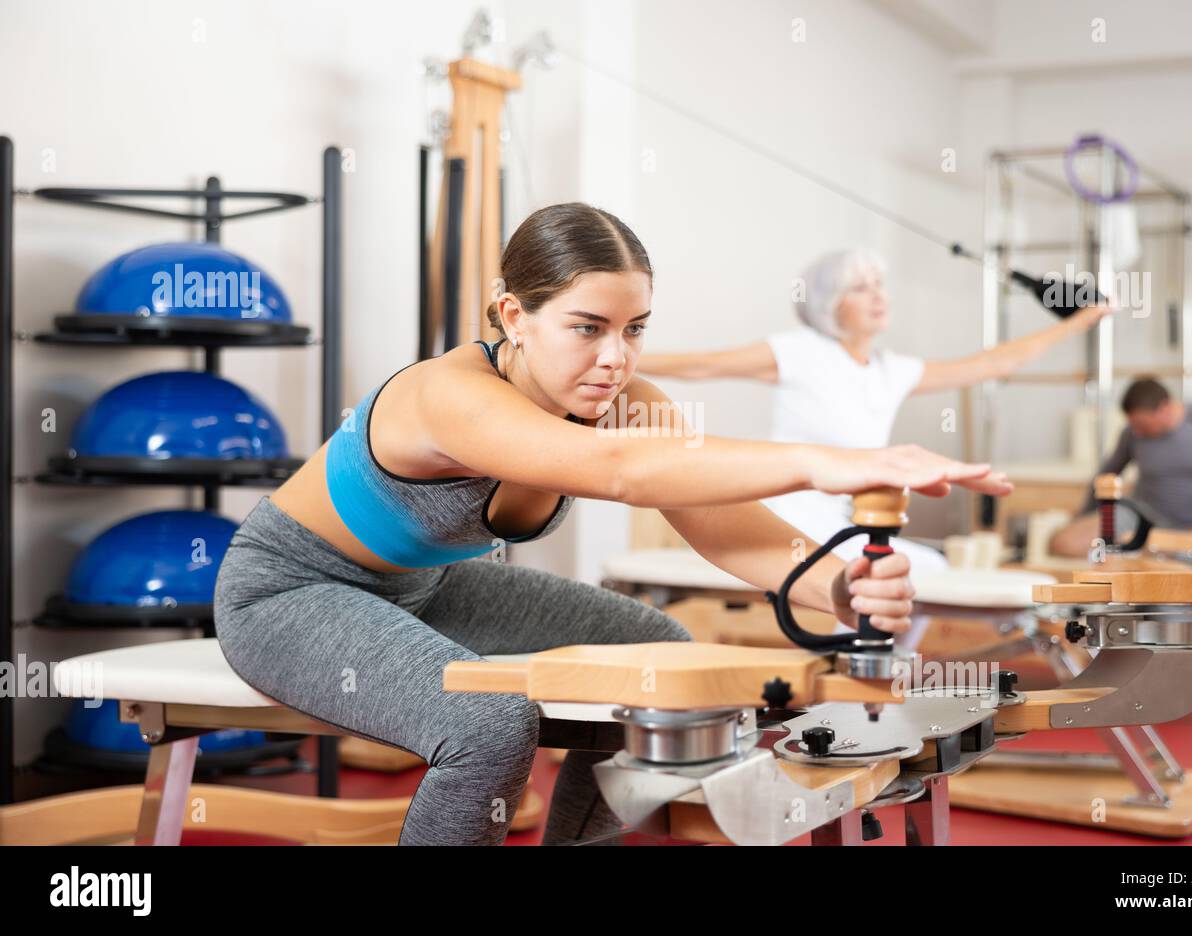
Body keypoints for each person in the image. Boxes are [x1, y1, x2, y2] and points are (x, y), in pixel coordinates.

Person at [212, 203, 1011, 846]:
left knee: (653, 659)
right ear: (512, 315)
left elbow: (722, 523)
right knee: (490, 726)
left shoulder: (617, 397)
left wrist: (838, 583)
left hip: (421, 591)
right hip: (289, 593)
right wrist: (825, 462)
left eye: (635, 330)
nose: (615, 359)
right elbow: (623, 471)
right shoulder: (448, 395)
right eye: (587, 327)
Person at [636, 247, 1110, 573]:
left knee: (927, 568)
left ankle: (873, 669)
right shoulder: (798, 351)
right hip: (785, 512)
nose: (879, 296)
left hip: (839, 517)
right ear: (830, 304)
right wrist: (622, 357)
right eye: (861, 288)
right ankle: (861, 671)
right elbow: (702, 365)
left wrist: (1082, 322)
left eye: (879, 284)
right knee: (902, 571)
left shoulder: (892, 370)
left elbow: (993, 363)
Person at [1050, 377, 1192, 557]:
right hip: (1139, 516)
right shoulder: (1132, 433)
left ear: (1165, 408)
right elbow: (1105, 475)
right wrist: (1084, 516)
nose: (1137, 432)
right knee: (1062, 542)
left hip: (1191, 530)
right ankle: (1139, 551)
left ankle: (1144, 551)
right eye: (1133, 425)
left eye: (1142, 425)